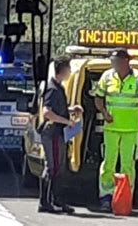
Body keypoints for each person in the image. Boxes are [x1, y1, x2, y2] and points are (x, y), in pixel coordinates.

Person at [94, 48, 138, 211]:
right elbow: (98, 97)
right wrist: (104, 112)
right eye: (112, 61)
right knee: (109, 163)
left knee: (128, 165)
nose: (114, 64)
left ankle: (124, 197)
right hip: (111, 128)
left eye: (116, 61)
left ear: (126, 61)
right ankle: (106, 196)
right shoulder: (106, 76)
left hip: (131, 129)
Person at [38, 56, 83, 214]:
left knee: (57, 168)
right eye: (68, 69)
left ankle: (55, 201)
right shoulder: (52, 88)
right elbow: (47, 112)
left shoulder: (59, 88)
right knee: (54, 168)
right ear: (62, 71)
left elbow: (56, 109)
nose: (70, 72)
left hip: (57, 133)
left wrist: (71, 110)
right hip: (53, 133)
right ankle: (48, 202)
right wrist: (67, 121)